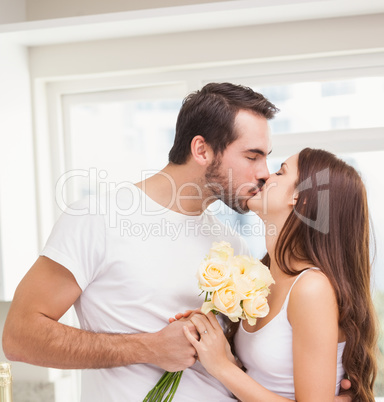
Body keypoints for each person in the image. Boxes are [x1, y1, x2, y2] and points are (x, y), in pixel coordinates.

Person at [2, 83, 351, 401]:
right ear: (201, 149)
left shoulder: (234, 247)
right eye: (252, 156)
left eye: (267, 158)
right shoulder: (98, 217)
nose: (263, 172)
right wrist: (147, 348)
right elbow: (19, 337)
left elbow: (251, 360)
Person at [182, 148, 378, 401]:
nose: (265, 176)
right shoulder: (265, 276)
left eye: (280, 171)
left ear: (301, 198)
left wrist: (221, 366)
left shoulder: (311, 289)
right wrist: (214, 341)